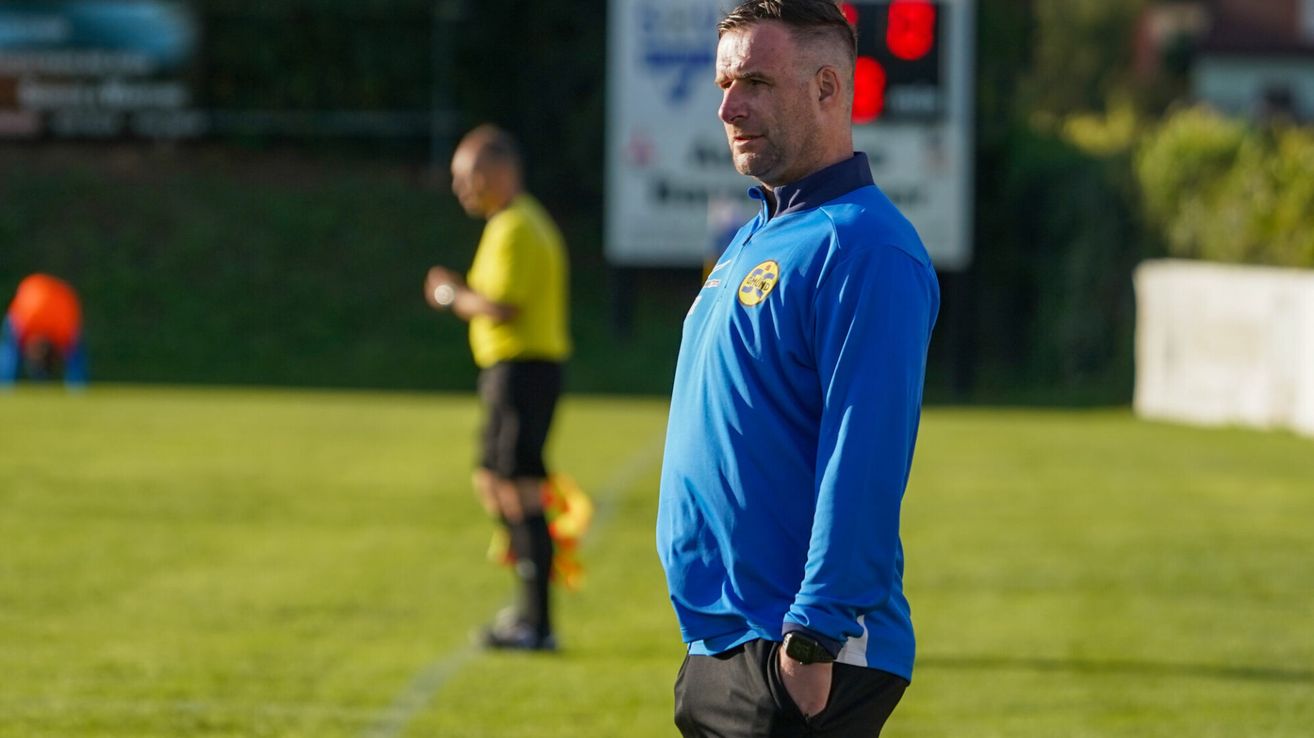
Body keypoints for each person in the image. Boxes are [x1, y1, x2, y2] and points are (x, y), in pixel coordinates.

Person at [655, 1, 940, 735]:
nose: (728, 107)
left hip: (801, 648)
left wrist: (814, 636)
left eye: (755, 82)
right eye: (725, 84)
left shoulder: (866, 247)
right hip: (724, 641)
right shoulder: (757, 235)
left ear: (827, 88)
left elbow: (864, 455)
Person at [424, 125, 571, 651]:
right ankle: (527, 607)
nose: (461, 187)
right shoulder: (508, 223)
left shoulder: (516, 226)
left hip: (523, 370)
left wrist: (448, 294)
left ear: (501, 172)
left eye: (469, 176)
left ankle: (537, 622)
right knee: (494, 480)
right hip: (512, 372)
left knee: (519, 488)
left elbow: (500, 307)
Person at [1, 273, 88, 390]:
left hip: (40, 294)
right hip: (36, 294)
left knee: (11, 348)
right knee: (12, 349)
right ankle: (77, 387)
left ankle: (5, 385)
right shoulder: (31, 322)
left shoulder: (61, 330)